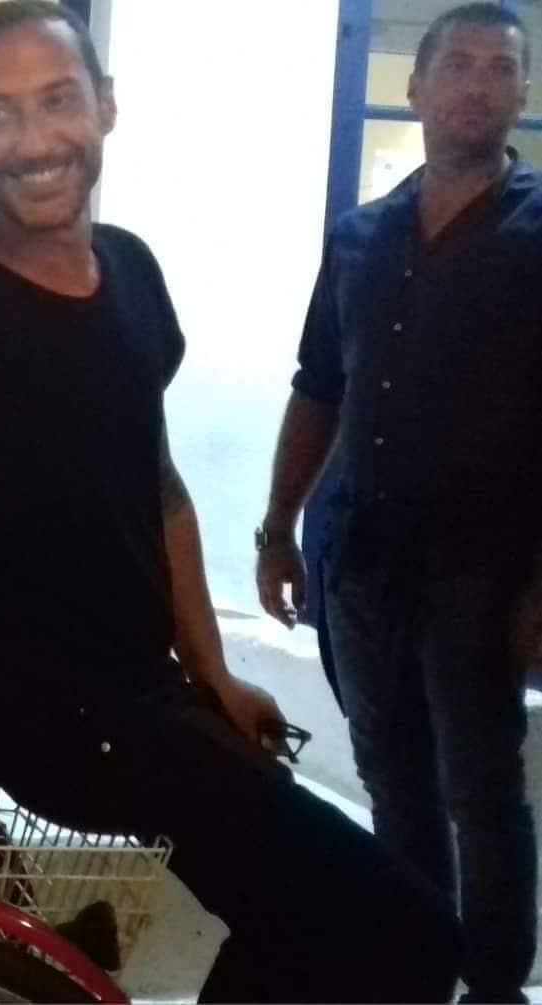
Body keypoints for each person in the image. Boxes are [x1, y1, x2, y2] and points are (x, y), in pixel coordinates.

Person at [0, 2, 462, 1000]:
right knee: (409, 937)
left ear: (105, 104)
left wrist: (211, 672)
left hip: (149, 704)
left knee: (307, 932)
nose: (33, 140)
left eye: (57, 100)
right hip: (61, 731)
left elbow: (159, 485)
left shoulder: (131, 271)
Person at [256, 4, 542, 1000]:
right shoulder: (359, 236)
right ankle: (415, 973)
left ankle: (494, 988)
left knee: (482, 792)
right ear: (415, 89)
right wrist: (276, 529)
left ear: (521, 93)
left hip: (485, 572)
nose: (477, 84)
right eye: (456, 64)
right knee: (392, 780)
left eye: (500, 68)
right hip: (358, 560)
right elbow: (318, 386)